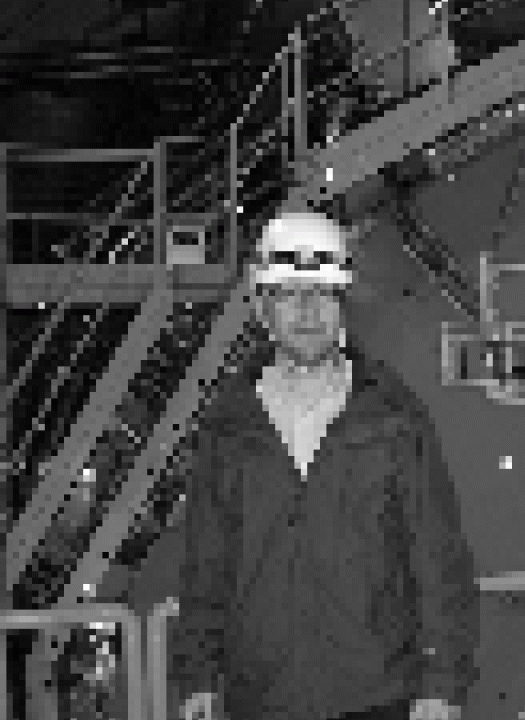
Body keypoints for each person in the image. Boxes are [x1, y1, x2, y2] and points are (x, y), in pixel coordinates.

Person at [171, 211, 477, 720]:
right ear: (263, 305)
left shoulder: (394, 415)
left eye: (322, 292)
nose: (307, 310)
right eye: (290, 293)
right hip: (263, 693)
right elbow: (207, 560)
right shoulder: (230, 425)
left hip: (375, 692)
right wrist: (197, 674)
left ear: (342, 303)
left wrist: (441, 683)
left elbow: (437, 557)